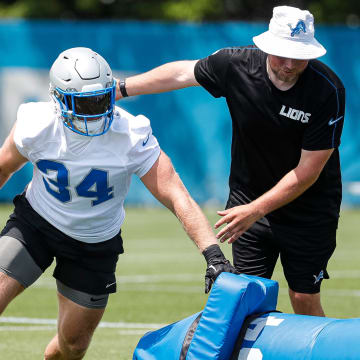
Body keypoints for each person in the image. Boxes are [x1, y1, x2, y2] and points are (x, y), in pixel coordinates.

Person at [0, 47, 236, 359]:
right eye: (82, 103)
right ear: (57, 99)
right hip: (36, 224)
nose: (94, 111)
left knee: (72, 345)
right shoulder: (36, 123)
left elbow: (174, 193)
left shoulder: (130, 133)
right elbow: (3, 167)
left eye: (100, 99)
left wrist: (214, 254)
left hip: (94, 243)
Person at [115, 6, 346, 317]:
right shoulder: (235, 64)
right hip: (246, 201)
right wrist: (120, 89)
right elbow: (181, 72)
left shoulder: (327, 90)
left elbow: (307, 172)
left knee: (303, 298)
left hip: (308, 208)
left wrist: (256, 211)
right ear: (267, 45)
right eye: (282, 54)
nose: (290, 64)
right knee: (247, 298)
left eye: (299, 55)